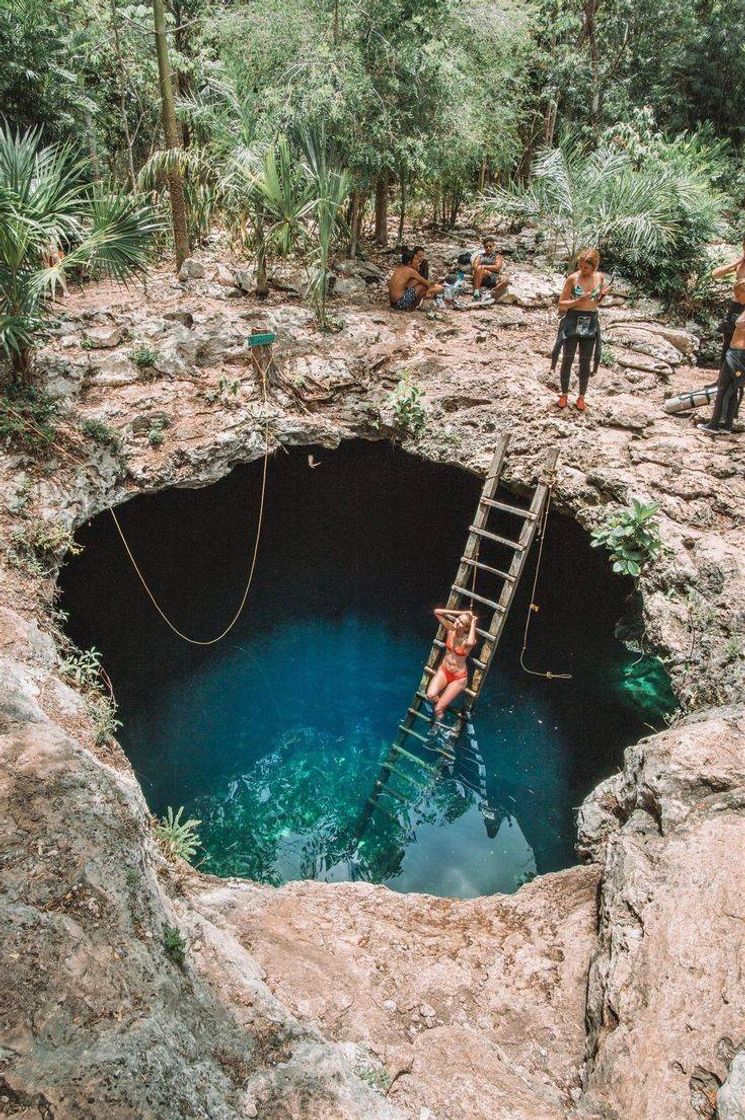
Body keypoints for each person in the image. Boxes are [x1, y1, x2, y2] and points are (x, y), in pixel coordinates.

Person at [551, 248, 610, 411]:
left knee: (585, 360)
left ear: (594, 267)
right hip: (572, 319)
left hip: (589, 320)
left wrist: (602, 296)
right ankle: (564, 395)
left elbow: (595, 303)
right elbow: (561, 304)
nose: (582, 269)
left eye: (586, 267)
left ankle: (581, 397)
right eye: (580, 265)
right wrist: (578, 300)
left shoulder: (599, 278)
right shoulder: (573, 278)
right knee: (568, 357)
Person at [698, 280, 745, 435]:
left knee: (723, 388)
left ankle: (713, 425)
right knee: (732, 390)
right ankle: (727, 426)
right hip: (737, 353)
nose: (736, 298)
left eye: (739, 294)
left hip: (737, 354)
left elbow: (740, 324)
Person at [427, 608, 478, 721]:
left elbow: (471, 642)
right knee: (430, 695)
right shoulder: (451, 630)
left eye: (461, 623)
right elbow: (437, 612)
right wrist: (462, 613)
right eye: (458, 620)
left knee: (438, 709)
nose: (457, 622)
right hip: (444, 670)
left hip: (458, 678)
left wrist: (473, 622)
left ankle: (437, 725)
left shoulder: (467, 640)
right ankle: (442, 703)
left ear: (466, 628)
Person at [713, 240, 745, 360]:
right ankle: (722, 377)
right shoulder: (739, 264)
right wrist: (737, 262)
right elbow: (716, 274)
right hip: (736, 305)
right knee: (728, 338)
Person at [388, 247, 444, 311]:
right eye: (416, 259)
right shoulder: (411, 271)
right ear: (409, 262)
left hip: (392, 304)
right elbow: (426, 283)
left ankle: (411, 307)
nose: (418, 261)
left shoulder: (400, 269)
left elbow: (409, 285)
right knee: (422, 286)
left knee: (417, 283)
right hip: (400, 303)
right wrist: (431, 291)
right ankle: (412, 308)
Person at [471, 238, 509, 304]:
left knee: (506, 281)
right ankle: (476, 293)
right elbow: (475, 266)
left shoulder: (497, 256)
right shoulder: (480, 256)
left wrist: (484, 267)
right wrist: (484, 270)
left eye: (490, 246)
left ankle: (490, 293)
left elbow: (497, 267)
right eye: (486, 247)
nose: (488, 248)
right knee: (479, 269)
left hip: (493, 276)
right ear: (484, 247)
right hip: (481, 276)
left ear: (493, 246)